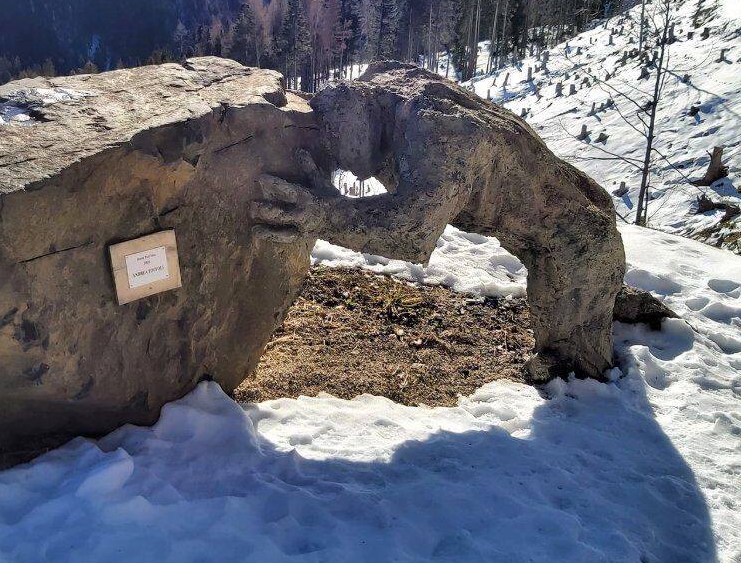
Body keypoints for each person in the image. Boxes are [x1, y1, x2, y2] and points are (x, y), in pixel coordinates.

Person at [253, 62, 626, 380]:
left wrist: (326, 213)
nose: (346, 166)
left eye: (346, 155)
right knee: (593, 304)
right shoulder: (382, 82)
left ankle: (606, 305)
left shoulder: (438, 133)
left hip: (574, 242)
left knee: (573, 373)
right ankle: (610, 298)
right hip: (576, 205)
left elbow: (412, 233)